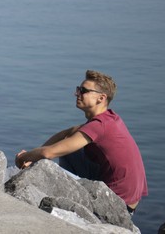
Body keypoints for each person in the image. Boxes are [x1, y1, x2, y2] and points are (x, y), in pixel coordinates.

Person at [14, 70, 148, 214]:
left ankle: (67, 200)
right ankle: (70, 194)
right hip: (128, 198)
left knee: (46, 167)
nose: (76, 94)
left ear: (101, 98)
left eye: (83, 91)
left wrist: (24, 157)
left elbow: (49, 153)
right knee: (68, 149)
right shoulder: (109, 118)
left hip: (117, 205)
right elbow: (67, 133)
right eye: (78, 89)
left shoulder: (99, 126)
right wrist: (33, 158)